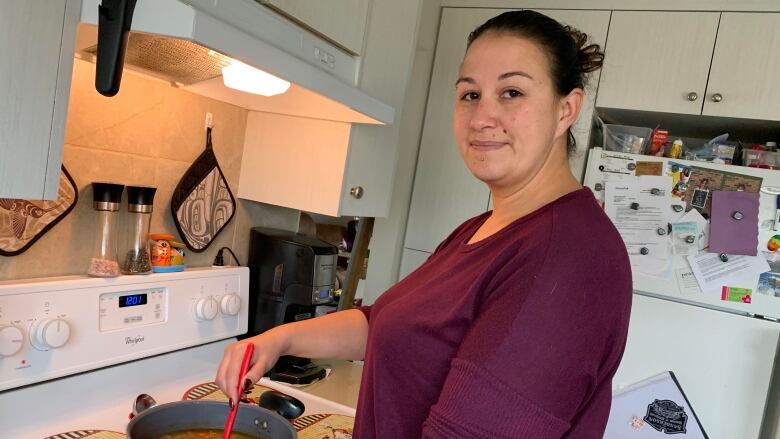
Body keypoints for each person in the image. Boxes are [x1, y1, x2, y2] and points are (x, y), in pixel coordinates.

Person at [216, 10, 632, 438]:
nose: (481, 117)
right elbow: (387, 322)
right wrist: (276, 340)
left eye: (511, 92)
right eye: (470, 94)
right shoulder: (479, 229)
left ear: (567, 109)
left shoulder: (567, 254)